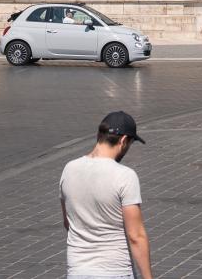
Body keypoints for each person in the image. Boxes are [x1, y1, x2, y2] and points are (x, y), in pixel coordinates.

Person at [58, 111, 153, 279]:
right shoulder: (125, 176)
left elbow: (68, 223)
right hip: (114, 271)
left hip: (77, 271)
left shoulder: (69, 169)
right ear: (123, 141)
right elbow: (136, 236)